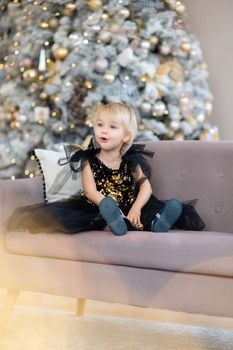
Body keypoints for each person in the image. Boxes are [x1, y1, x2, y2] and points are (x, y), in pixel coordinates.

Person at [6, 102, 204, 235]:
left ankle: (157, 222)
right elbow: (90, 191)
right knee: (94, 217)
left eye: (112, 127)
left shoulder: (131, 159)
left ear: (126, 136)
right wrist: (108, 203)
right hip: (100, 206)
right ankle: (115, 223)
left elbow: (146, 188)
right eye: (100, 124)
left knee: (146, 212)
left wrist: (135, 207)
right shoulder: (88, 159)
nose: (104, 130)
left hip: (129, 204)